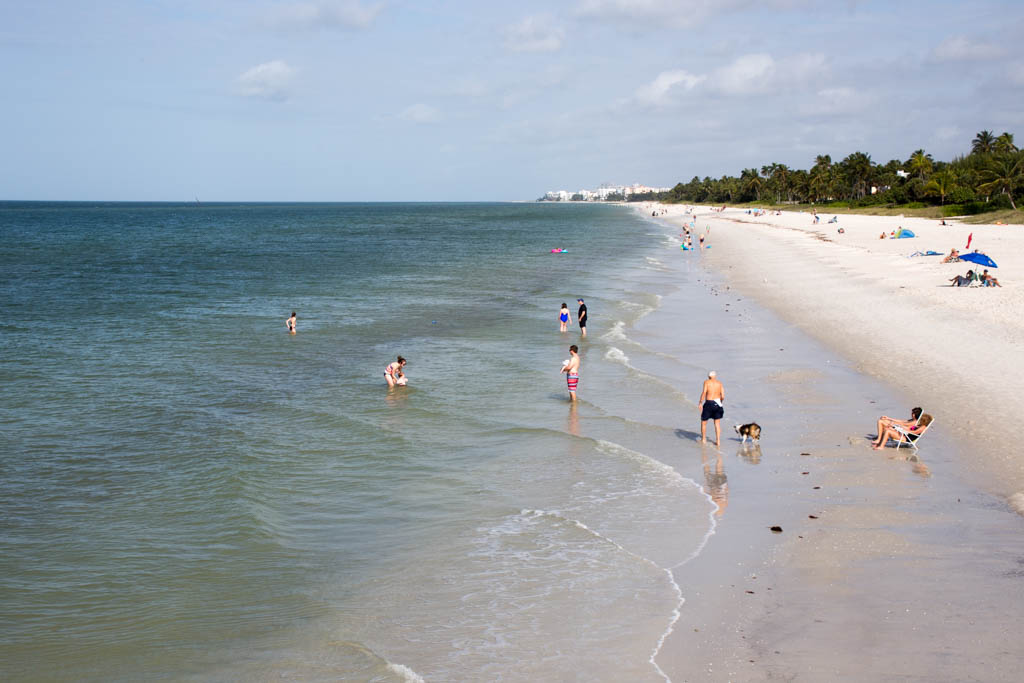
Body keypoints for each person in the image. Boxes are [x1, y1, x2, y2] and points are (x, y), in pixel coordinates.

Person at [698, 370, 725, 446]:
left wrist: (700, 402)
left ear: (708, 376)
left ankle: (703, 439)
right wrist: (720, 402)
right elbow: (723, 396)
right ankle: (718, 441)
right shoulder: (720, 383)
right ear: (715, 376)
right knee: (717, 423)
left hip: (709, 403)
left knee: (704, 422)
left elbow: (704, 392)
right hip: (718, 403)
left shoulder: (706, 382)